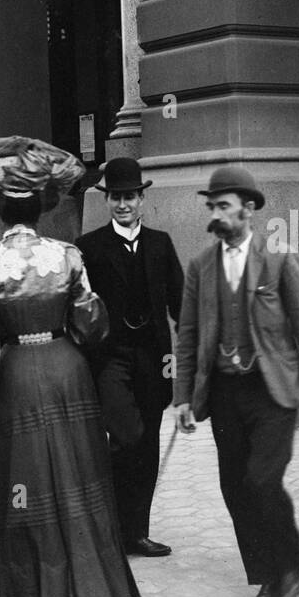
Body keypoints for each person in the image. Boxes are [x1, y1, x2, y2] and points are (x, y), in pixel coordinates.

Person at [0, 136, 139, 597]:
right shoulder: (68, 255)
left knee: (26, 482)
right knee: (81, 476)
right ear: (41, 205)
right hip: (67, 369)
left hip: (17, 376)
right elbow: (93, 324)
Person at [174, 166, 299, 597]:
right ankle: (268, 577)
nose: (216, 214)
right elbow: (188, 336)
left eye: (224, 206)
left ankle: (291, 563)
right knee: (236, 488)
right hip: (225, 394)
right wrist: (182, 398)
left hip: (273, 390)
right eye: (211, 206)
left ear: (248, 210)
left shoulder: (279, 260)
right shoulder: (200, 267)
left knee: (262, 480)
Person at [75, 157, 184, 558]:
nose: (123, 204)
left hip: (154, 360)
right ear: (108, 201)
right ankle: (108, 529)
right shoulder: (89, 248)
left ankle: (135, 532)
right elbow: (80, 308)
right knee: (126, 436)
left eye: (130, 197)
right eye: (116, 198)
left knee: (147, 445)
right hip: (110, 358)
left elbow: (180, 304)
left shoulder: (161, 243)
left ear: (142, 199)